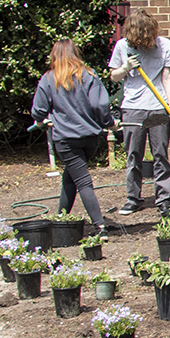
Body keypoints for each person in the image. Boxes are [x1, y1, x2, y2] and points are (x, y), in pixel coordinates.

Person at [30, 39, 115, 235]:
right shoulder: (89, 75)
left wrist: (41, 119)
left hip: (66, 140)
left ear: (54, 56)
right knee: (70, 178)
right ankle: (61, 219)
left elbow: (38, 111)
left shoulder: (49, 79)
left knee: (82, 181)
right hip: (90, 139)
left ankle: (100, 226)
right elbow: (99, 106)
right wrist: (109, 123)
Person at [108, 9, 170, 215]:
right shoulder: (123, 46)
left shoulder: (164, 44)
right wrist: (125, 67)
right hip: (132, 108)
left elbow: (167, 77)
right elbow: (114, 76)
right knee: (133, 155)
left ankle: (164, 199)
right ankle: (133, 198)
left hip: (159, 107)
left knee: (160, 155)